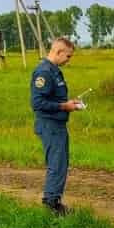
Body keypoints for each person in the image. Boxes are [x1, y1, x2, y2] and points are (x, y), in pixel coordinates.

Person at [30, 37, 82, 216]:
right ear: (58, 52)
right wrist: (63, 106)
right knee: (56, 164)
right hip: (49, 125)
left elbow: (53, 98)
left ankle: (54, 201)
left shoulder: (54, 71)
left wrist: (68, 103)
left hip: (57, 124)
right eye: (68, 56)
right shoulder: (44, 72)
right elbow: (37, 103)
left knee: (60, 164)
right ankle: (51, 205)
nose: (69, 60)